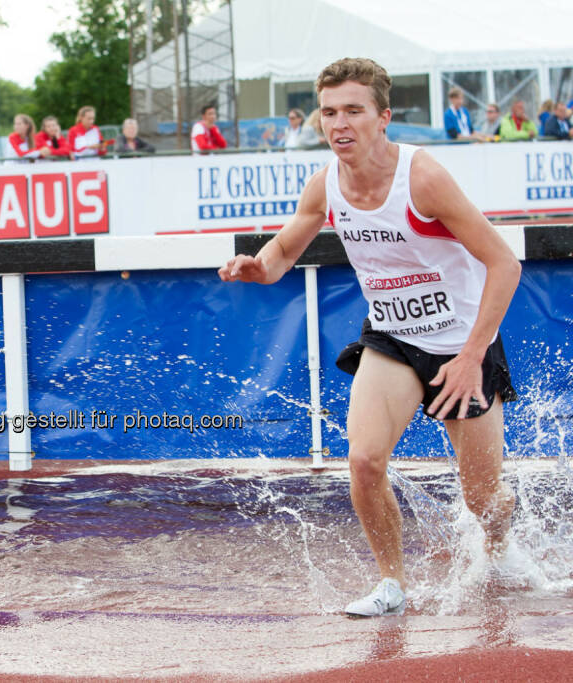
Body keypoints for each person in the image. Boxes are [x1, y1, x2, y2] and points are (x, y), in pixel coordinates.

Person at [218, 57, 521, 618]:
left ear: (383, 117)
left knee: (483, 498)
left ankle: (502, 546)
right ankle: (391, 585)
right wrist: (258, 267)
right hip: (392, 339)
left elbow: (504, 263)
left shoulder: (422, 178)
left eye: (353, 111)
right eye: (329, 112)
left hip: (461, 344)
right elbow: (284, 250)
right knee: (363, 461)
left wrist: (472, 356)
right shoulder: (325, 183)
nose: (340, 124)